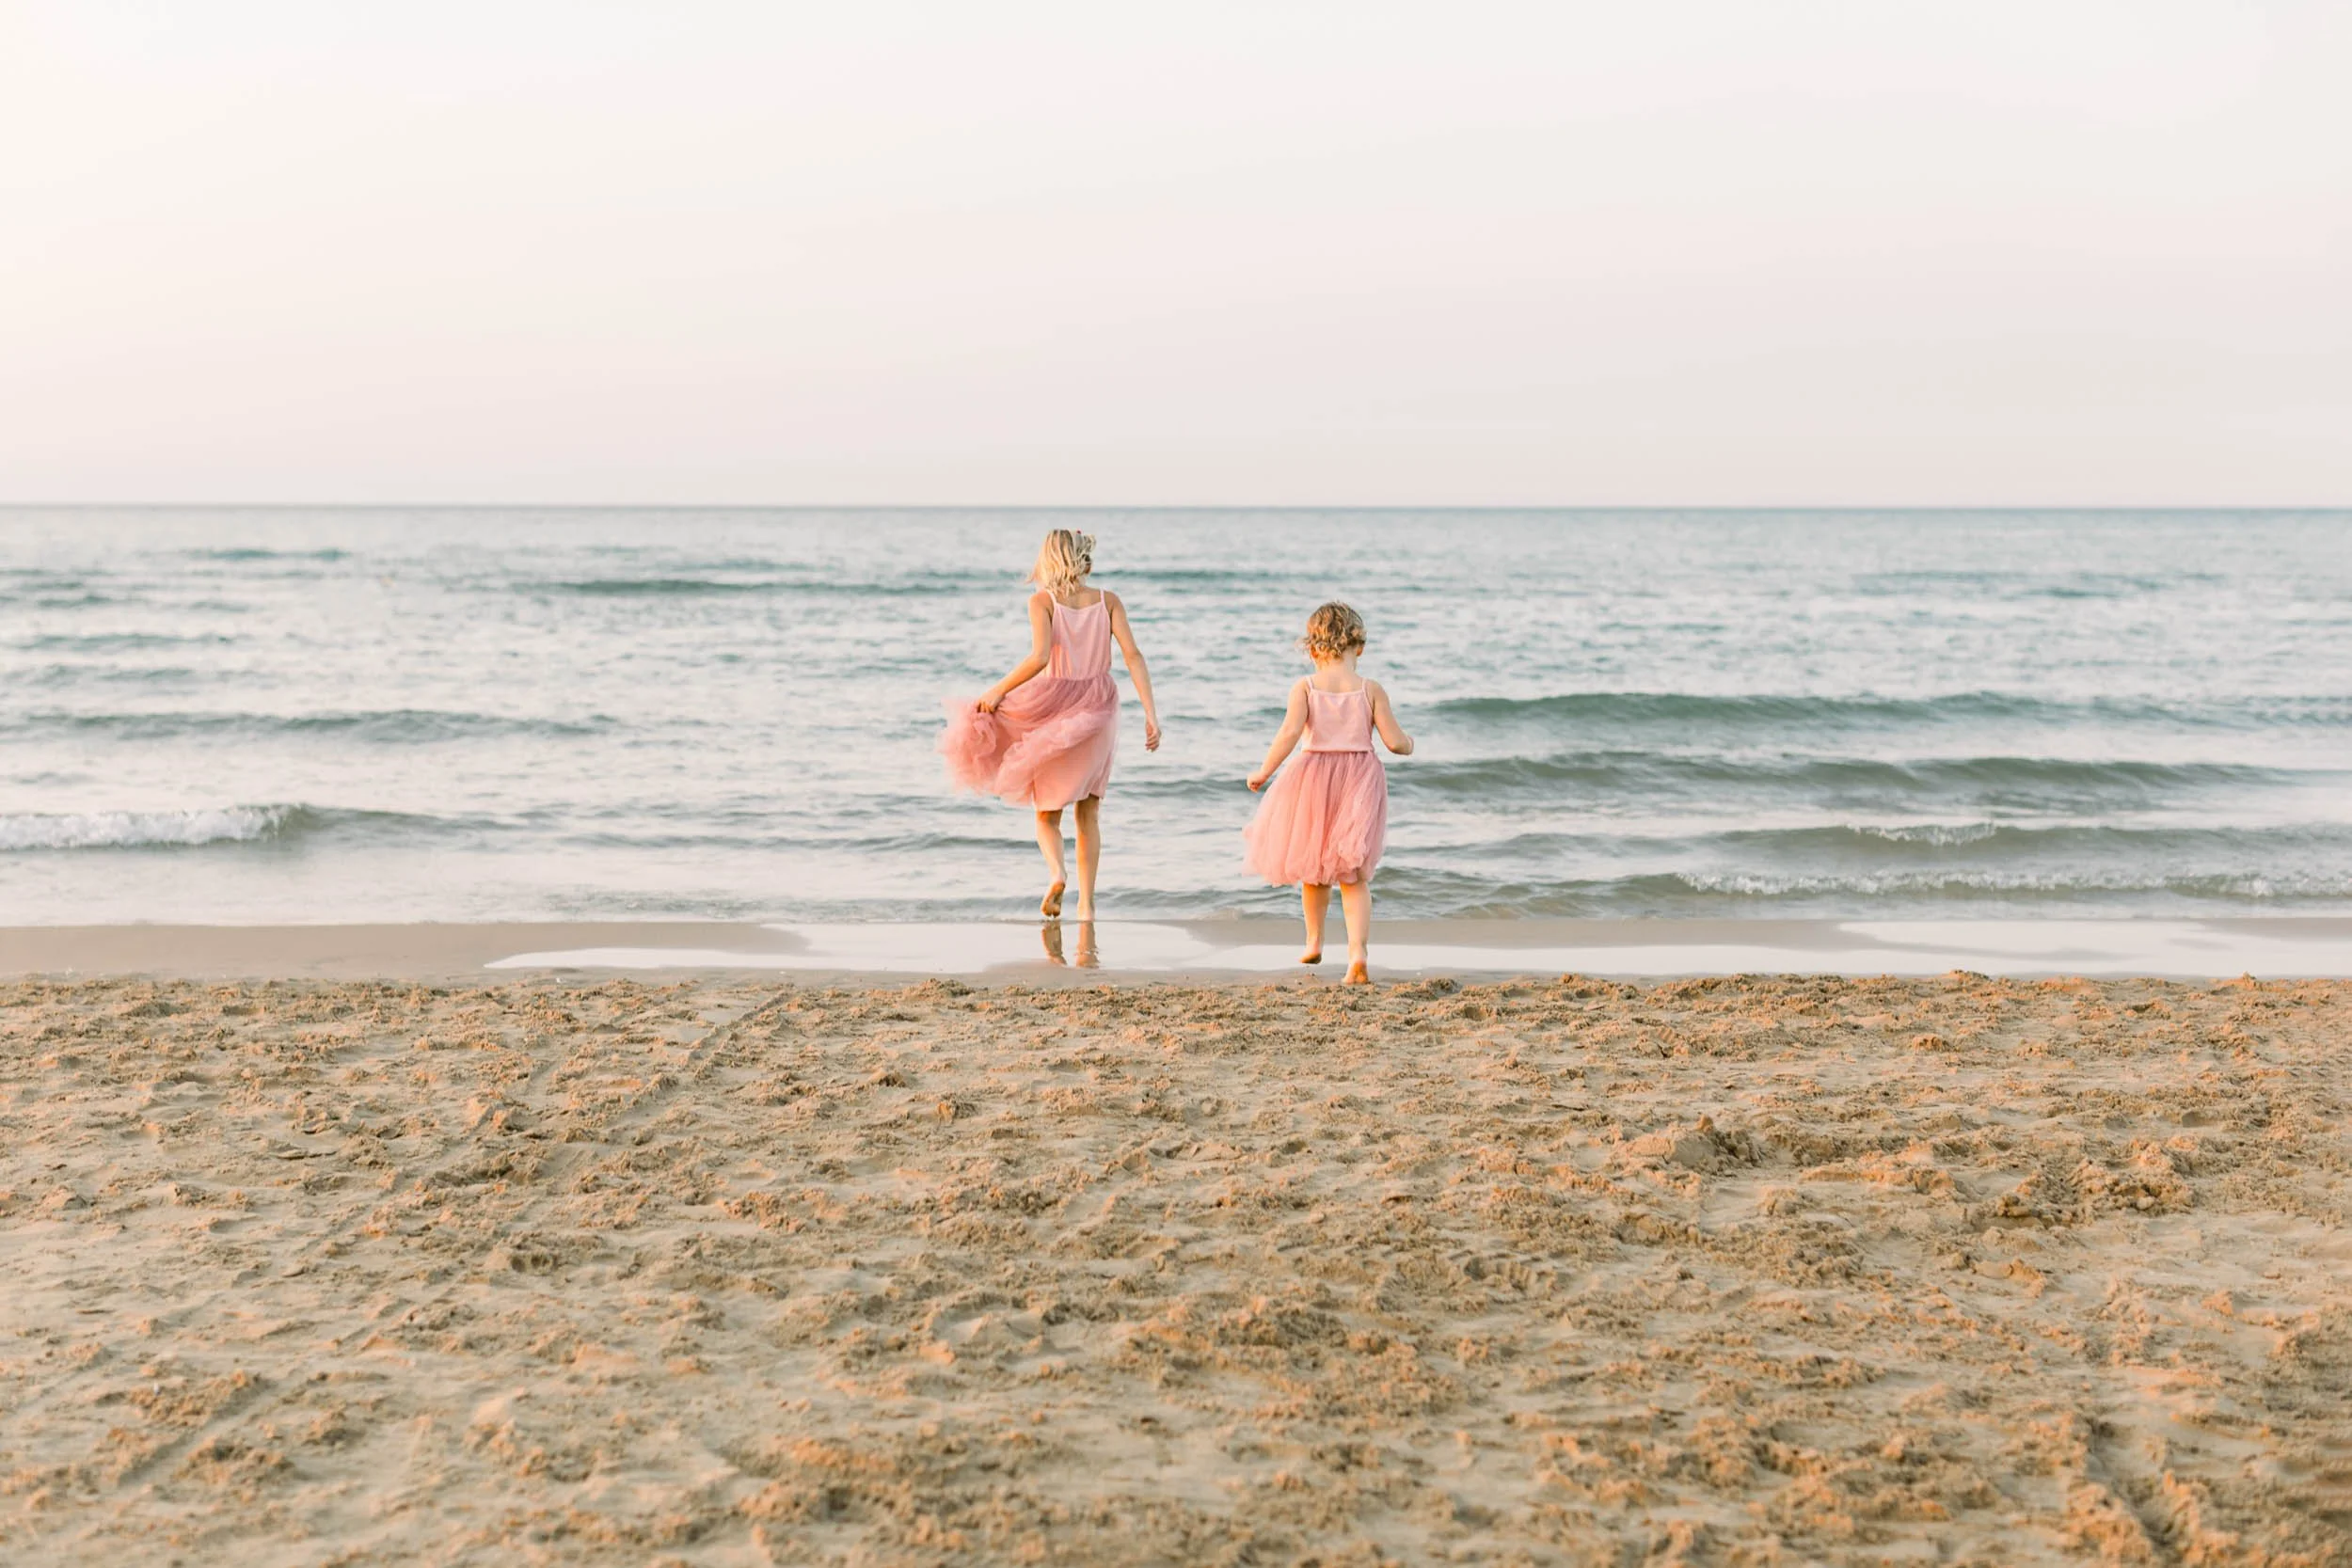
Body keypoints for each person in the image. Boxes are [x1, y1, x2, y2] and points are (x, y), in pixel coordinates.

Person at [939, 529, 1161, 920]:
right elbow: (1134, 655)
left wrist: (998, 690)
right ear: (1082, 557)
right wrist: (1150, 713)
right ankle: (1088, 907)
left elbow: (1040, 658)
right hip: (1100, 706)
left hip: (1055, 704)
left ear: (1047, 559)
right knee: (1089, 811)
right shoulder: (1109, 601)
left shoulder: (1042, 602)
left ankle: (1057, 872)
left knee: (1047, 813)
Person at [1244, 601, 1412, 983]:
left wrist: (1264, 771)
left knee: (1313, 870)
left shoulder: (1304, 687)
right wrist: (1410, 744)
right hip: (1358, 781)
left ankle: (1314, 941)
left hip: (1313, 779)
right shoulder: (1370, 690)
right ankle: (1358, 955)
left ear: (1313, 649)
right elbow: (1394, 741)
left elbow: (1288, 735)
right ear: (1360, 647)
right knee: (1353, 876)